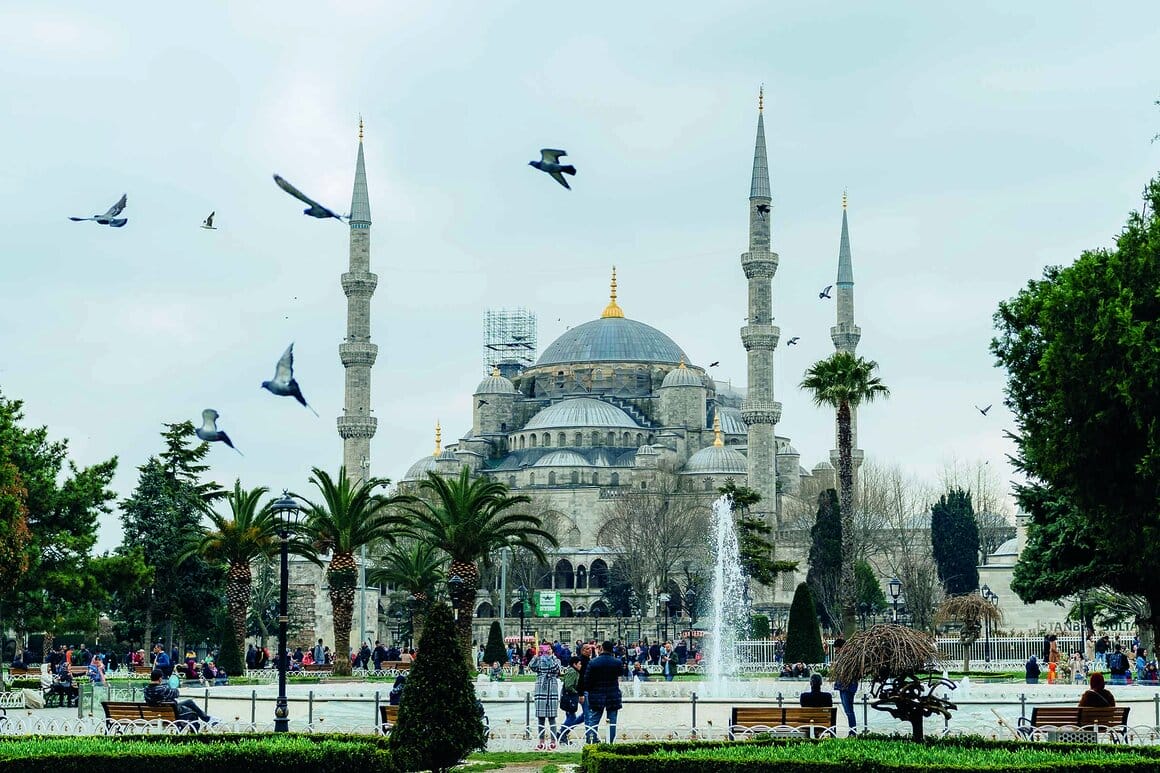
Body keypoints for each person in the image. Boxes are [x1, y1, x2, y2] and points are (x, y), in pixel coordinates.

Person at [143, 668, 218, 725]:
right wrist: (171, 686)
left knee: (189, 702)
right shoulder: (163, 689)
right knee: (191, 708)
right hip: (173, 712)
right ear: (160, 678)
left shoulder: (146, 690)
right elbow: (176, 693)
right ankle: (207, 720)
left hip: (156, 714)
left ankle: (207, 719)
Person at [584, 641, 624, 744]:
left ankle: (591, 740)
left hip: (597, 693)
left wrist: (590, 690)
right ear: (612, 649)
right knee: (612, 721)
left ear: (601, 648)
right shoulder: (617, 662)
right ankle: (610, 742)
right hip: (612, 693)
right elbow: (620, 675)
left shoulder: (593, 662)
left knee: (594, 720)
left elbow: (587, 680)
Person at [529, 644, 561, 750]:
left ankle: (553, 741)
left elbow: (556, 669)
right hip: (541, 687)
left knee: (552, 717)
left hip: (552, 687)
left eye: (549, 649)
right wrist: (536, 656)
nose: (546, 651)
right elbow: (532, 667)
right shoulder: (539, 659)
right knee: (540, 717)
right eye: (544, 649)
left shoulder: (556, 659)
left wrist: (550, 657)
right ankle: (541, 741)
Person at [831, 638, 858, 736]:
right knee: (848, 710)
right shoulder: (842, 657)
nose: (836, 651)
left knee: (849, 710)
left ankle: (853, 732)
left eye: (837, 649)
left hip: (848, 686)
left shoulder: (849, 657)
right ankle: (852, 731)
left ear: (842, 648)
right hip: (843, 686)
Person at [558, 655, 584, 744]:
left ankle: (562, 734)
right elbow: (568, 686)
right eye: (579, 664)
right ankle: (561, 734)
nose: (581, 666)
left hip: (569, 698)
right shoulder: (573, 672)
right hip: (569, 698)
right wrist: (577, 692)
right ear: (574, 664)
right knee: (572, 717)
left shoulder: (573, 671)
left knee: (571, 716)